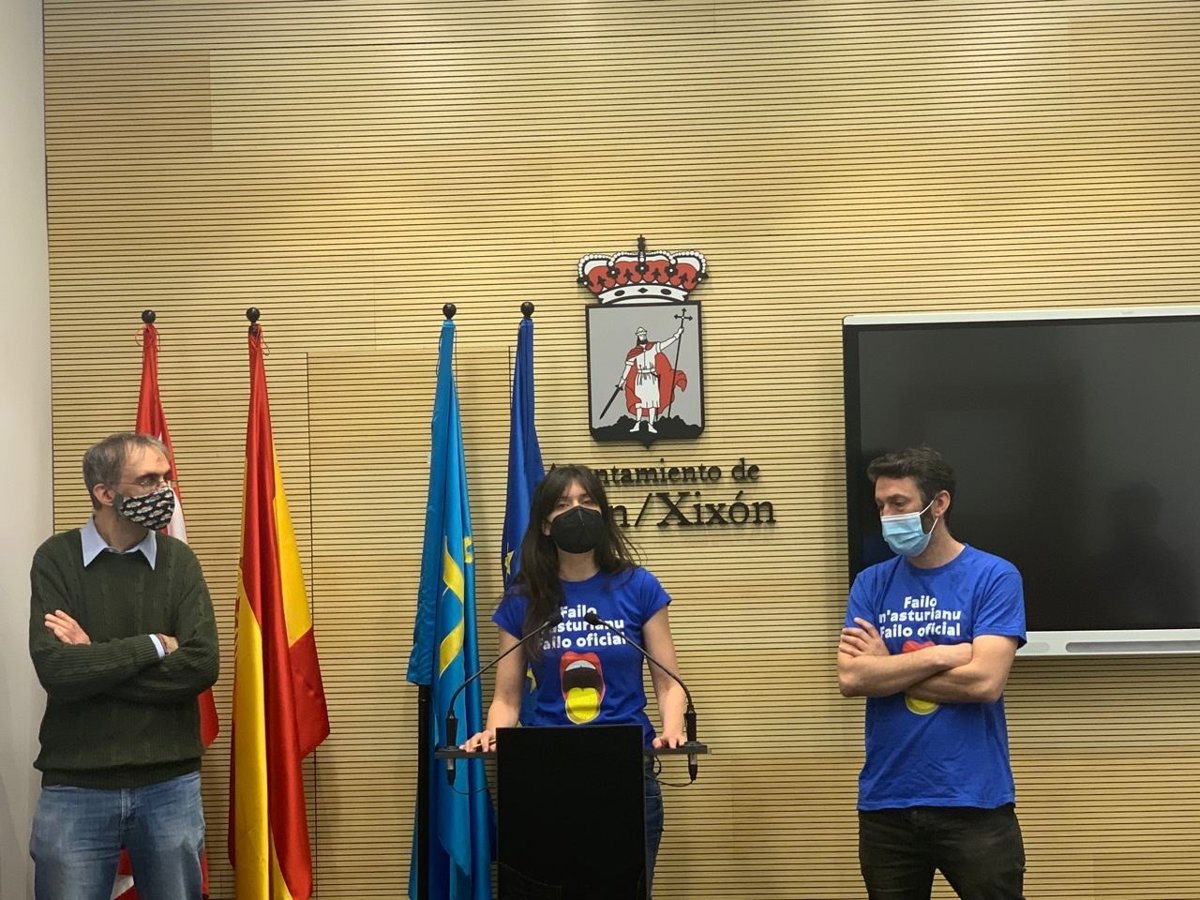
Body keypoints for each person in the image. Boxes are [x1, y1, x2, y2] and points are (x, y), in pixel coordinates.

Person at [465, 463, 687, 890]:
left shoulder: (639, 587)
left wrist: (672, 729)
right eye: (563, 504)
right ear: (546, 523)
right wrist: (493, 733)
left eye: (586, 501)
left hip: (627, 773)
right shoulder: (523, 599)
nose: (577, 511)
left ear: (603, 513)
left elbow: (668, 682)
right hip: (545, 775)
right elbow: (507, 698)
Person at [28, 432, 220, 900]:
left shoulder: (179, 561)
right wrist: (155, 644)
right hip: (76, 786)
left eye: (166, 478)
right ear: (105, 492)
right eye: (148, 480)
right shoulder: (56, 558)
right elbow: (58, 671)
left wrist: (93, 654)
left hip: (169, 782)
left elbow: (201, 665)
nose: (165, 491)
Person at [838, 446, 1026, 899]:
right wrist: (943, 654)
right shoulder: (870, 582)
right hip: (887, 803)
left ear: (938, 503)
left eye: (899, 503)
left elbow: (984, 682)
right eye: (881, 505)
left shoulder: (994, 577)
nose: (887, 516)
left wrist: (887, 665)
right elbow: (852, 679)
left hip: (974, 802)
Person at [618, 325, 685, 433]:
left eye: (643, 334)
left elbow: (666, 343)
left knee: (652, 402)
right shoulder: (634, 352)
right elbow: (628, 368)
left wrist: (677, 335)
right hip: (640, 379)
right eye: (640, 335)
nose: (642, 336)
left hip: (651, 378)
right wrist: (622, 381)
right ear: (637, 336)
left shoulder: (653, 347)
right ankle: (637, 424)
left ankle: (651, 425)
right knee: (639, 402)